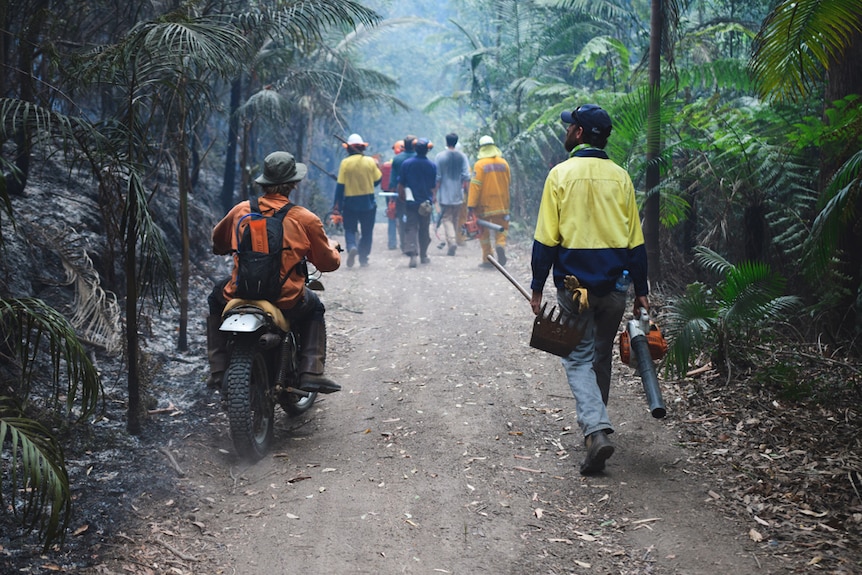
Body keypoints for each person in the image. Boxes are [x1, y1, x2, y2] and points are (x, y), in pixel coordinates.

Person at [529, 104, 649, 475]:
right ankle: (596, 429)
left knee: (578, 358)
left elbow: (546, 240)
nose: (565, 132)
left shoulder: (560, 175)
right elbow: (636, 242)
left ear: (579, 133)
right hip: (616, 287)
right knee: (599, 355)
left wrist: (537, 286)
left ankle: (596, 430)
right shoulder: (621, 177)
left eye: (569, 127)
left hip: (574, 289)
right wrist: (642, 289)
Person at [207, 151, 343, 394]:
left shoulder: (241, 210)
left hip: (240, 292)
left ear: (265, 182)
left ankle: (217, 370)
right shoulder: (304, 218)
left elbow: (218, 243)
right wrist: (333, 248)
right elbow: (327, 263)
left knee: (216, 297)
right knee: (314, 307)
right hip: (285, 298)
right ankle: (311, 371)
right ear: (293, 183)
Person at [333, 133, 382, 268]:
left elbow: (340, 186)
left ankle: (352, 246)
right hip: (368, 202)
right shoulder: (370, 161)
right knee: (367, 231)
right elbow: (377, 180)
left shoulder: (345, 163)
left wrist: (336, 205)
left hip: (350, 203)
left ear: (348, 149)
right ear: (362, 148)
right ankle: (363, 258)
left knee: (349, 228)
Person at [467, 135, 511, 267]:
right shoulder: (504, 163)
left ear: (481, 148)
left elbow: (475, 186)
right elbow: (508, 182)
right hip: (502, 204)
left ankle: (488, 259)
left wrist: (471, 205)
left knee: (483, 232)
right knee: (502, 228)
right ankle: (500, 245)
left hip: (484, 206)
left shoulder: (479, 165)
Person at [398, 138, 437, 268]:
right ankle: (423, 255)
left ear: (415, 149)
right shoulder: (432, 166)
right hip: (425, 203)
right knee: (424, 229)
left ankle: (413, 253)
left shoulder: (406, 164)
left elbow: (401, 184)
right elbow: (433, 186)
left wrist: (401, 196)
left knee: (411, 227)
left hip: (411, 202)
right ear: (427, 150)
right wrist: (434, 199)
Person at [434, 133, 471, 256]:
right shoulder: (462, 157)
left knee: (447, 218)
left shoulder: (440, 156)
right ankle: (452, 241)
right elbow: (466, 177)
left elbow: (437, 177)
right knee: (455, 218)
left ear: (446, 142)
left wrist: (434, 193)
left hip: (445, 193)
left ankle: (452, 241)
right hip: (458, 194)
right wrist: (467, 191)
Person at [389, 135, 416, 252]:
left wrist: (391, 195)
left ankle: (404, 244)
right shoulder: (419, 157)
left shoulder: (398, 159)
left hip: (401, 194)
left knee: (401, 218)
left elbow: (393, 180)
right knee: (414, 218)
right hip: (416, 194)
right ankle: (413, 243)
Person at [381, 140, 404, 250]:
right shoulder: (408, 161)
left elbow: (386, 183)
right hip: (404, 193)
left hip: (390, 192)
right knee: (404, 215)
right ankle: (405, 241)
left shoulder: (388, 164)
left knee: (391, 216)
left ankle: (392, 242)